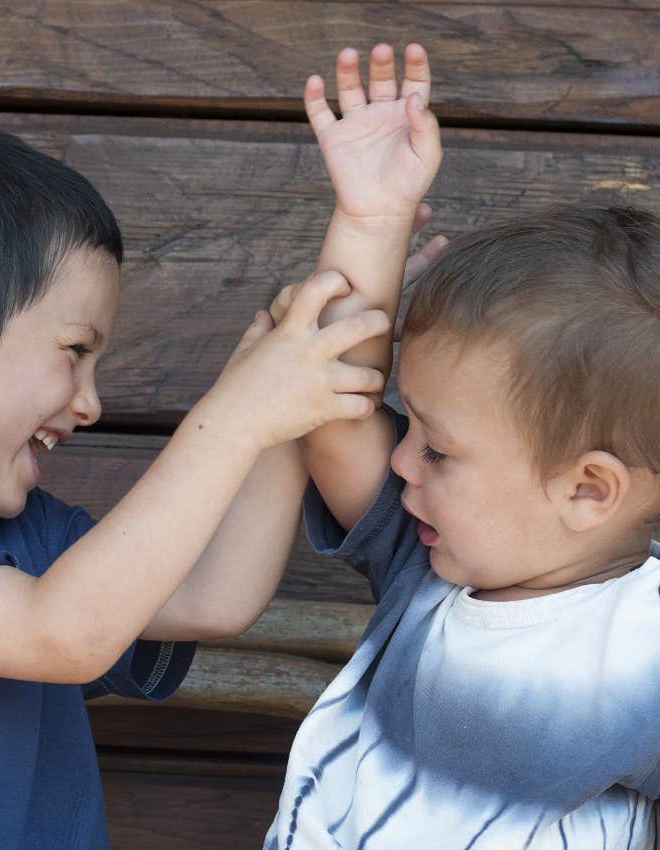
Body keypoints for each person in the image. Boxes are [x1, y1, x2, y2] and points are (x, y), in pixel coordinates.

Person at [0, 105, 404, 848]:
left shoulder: (24, 536)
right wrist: (240, 415)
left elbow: (211, 594)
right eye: (73, 349)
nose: (90, 403)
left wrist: (368, 233)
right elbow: (63, 633)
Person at [263, 42, 660, 850]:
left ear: (588, 489)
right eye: (408, 427)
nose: (402, 460)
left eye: (438, 449)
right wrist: (372, 222)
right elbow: (334, 414)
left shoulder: (641, 643)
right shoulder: (427, 573)